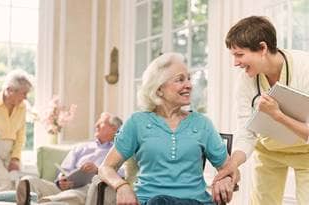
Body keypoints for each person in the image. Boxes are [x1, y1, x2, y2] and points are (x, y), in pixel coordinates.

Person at [98, 52, 239, 205]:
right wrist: (122, 186)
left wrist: (226, 179)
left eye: (189, 79)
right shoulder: (137, 123)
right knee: (158, 201)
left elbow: (231, 169)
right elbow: (106, 168)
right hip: (149, 201)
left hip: (194, 202)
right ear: (159, 89)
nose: (189, 85)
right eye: (180, 80)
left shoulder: (202, 124)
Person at [213, 16, 309, 205]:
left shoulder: (305, 67)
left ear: (263, 48)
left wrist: (277, 115)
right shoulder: (246, 81)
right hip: (268, 152)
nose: (235, 63)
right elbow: (246, 131)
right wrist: (233, 164)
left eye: (239, 55)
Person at [16, 112, 123, 205]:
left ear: (113, 128)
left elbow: (122, 174)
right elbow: (64, 169)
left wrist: (98, 170)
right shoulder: (81, 147)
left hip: (89, 190)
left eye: (101, 123)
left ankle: (46, 201)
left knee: (81, 192)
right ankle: (46, 201)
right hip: (64, 188)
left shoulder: (119, 151)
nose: (96, 125)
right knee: (29, 181)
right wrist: (61, 180)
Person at [0, 69, 33, 191]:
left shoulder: (22, 107)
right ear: (10, 90)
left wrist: (15, 158)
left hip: (11, 150)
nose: (25, 97)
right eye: (24, 93)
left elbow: (21, 134)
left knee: (18, 181)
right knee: (5, 182)